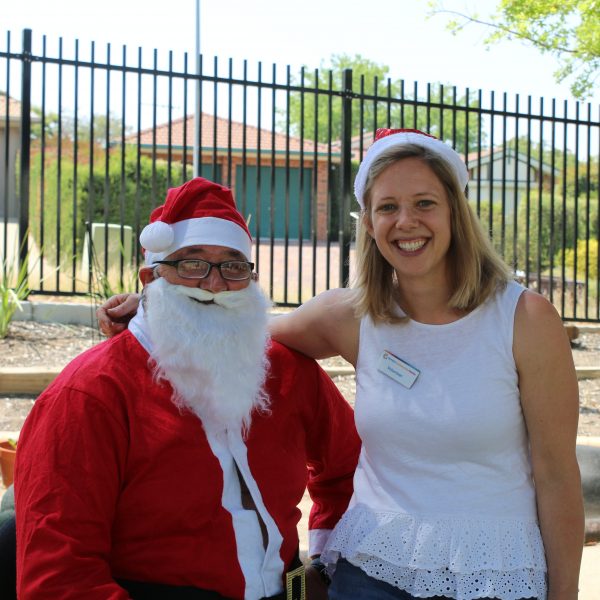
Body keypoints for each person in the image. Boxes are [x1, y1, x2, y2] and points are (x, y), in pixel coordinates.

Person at [97, 129, 584, 600]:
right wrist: (155, 307)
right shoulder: (351, 317)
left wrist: (565, 595)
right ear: (369, 223)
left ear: (456, 212)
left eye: (425, 203)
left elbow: (557, 477)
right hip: (374, 570)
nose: (406, 221)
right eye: (387, 207)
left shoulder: (525, 319)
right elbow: (228, 327)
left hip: (494, 572)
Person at [15, 177, 361, 599]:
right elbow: (59, 575)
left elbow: (352, 467)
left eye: (233, 266)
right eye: (191, 264)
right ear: (150, 277)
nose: (214, 284)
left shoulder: (287, 370)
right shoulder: (90, 393)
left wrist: (328, 565)